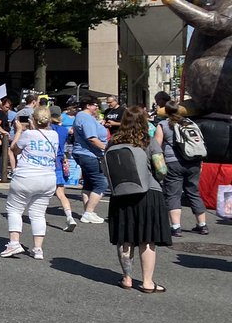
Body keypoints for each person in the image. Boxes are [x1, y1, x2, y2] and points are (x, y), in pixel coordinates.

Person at [103, 106, 171, 293]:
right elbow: (162, 170)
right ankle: (148, 282)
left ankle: (127, 278)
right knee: (147, 239)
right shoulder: (148, 142)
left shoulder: (113, 142)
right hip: (148, 194)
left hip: (120, 195)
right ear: (144, 121)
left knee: (125, 238)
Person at [0, 106, 59, 259]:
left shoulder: (28, 134)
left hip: (26, 177)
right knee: (38, 214)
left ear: (33, 119)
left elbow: (14, 149)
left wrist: (19, 131)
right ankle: (38, 249)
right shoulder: (54, 135)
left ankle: (14, 243)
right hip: (48, 178)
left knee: (14, 209)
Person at [158, 102, 209, 237]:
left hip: (173, 162)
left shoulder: (163, 124)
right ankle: (202, 225)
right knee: (193, 192)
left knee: (173, 194)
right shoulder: (190, 123)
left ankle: (176, 227)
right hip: (194, 162)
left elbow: (156, 146)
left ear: (167, 112)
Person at [71, 96, 109, 224]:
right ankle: (88, 212)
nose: (97, 107)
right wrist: (106, 148)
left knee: (89, 182)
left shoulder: (83, 117)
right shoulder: (85, 118)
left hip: (84, 153)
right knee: (101, 183)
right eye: (95, 105)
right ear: (88, 105)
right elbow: (92, 138)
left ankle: (88, 211)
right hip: (89, 154)